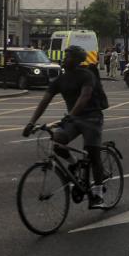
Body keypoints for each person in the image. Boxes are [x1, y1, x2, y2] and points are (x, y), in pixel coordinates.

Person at [22, 45, 108, 207]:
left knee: (92, 154)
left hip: (92, 118)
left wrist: (70, 115)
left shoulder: (87, 75)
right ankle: (74, 163)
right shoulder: (60, 80)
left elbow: (85, 96)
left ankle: (97, 192)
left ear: (76, 60)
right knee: (57, 141)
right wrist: (31, 122)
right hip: (74, 119)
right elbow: (44, 101)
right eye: (64, 55)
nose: (64, 58)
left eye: (68, 56)